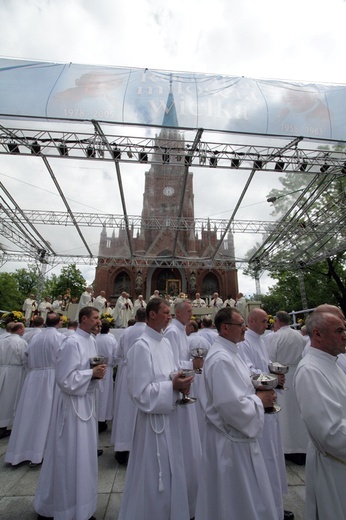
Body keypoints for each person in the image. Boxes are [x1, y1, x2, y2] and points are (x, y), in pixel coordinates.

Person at [195, 307, 278, 520]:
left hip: (236, 440)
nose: (245, 329)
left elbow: (239, 388)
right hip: (231, 442)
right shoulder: (222, 359)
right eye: (240, 324)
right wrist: (259, 401)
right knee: (235, 502)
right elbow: (232, 406)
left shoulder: (231, 351)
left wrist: (259, 389)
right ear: (225, 328)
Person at [118, 297, 192, 520]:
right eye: (166, 313)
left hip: (170, 417)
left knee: (173, 470)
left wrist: (180, 381)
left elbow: (169, 373)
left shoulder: (165, 342)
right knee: (153, 473)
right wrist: (172, 386)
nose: (169, 317)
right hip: (152, 424)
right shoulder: (141, 347)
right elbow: (140, 393)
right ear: (152, 314)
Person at [34, 306, 105, 520]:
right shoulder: (71, 342)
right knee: (68, 456)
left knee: (84, 457)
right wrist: (91, 373)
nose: (98, 322)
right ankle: (59, 507)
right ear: (83, 319)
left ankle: (82, 508)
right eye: (95, 318)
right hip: (72, 407)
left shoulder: (91, 341)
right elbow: (64, 379)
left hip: (86, 402)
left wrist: (95, 374)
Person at [238, 308, 293, 520]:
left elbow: (263, 365)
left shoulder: (260, 340)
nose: (267, 324)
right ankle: (266, 506)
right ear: (251, 321)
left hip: (268, 401)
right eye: (263, 321)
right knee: (265, 456)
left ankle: (275, 503)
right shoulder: (245, 342)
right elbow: (250, 370)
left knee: (273, 453)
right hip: (258, 403)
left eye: (267, 321)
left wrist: (275, 374)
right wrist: (272, 378)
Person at [294, 311, 346, 519]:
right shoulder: (311, 370)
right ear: (317, 334)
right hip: (334, 466)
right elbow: (330, 432)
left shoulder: (332, 363)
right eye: (339, 330)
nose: (345, 335)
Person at [5, 313, 64, 467]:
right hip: (52, 378)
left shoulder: (35, 338)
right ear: (59, 323)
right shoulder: (60, 338)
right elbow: (63, 358)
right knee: (47, 415)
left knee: (29, 414)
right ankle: (41, 451)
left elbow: (25, 358)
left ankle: (20, 452)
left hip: (33, 379)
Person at [164, 299, 202, 519]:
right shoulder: (172, 332)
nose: (192, 313)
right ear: (178, 313)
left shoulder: (181, 331)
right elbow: (172, 363)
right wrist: (191, 366)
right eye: (189, 310)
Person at [265, 310, 309, 463]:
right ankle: (302, 447)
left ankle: (286, 448)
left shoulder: (275, 337)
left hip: (282, 376)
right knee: (297, 412)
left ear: (277, 321)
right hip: (297, 374)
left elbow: (270, 358)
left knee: (285, 414)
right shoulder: (299, 335)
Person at [111, 306, 147, 465]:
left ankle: (123, 448)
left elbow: (118, 354)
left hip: (126, 374)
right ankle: (142, 448)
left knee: (125, 410)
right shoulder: (150, 331)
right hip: (145, 374)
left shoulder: (126, 332)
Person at [0, 323, 27, 439]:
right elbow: (25, 359)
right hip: (15, 372)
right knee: (10, 399)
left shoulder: (3, 341)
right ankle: (4, 425)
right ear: (20, 330)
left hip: (3, 369)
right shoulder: (21, 342)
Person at [96, 319, 118, 433]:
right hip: (106, 369)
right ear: (109, 329)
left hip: (95, 368)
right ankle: (102, 420)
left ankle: (96, 419)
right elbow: (116, 356)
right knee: (105, 396)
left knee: (98, 395)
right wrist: (110, 365)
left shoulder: (95, 338)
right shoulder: (111, 340)